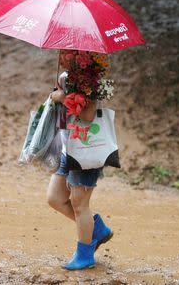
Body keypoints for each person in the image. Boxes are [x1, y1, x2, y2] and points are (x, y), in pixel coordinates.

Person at [47, 50, 113, 270]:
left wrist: (61, 97)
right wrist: (58, 93)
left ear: (81, 56)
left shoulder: (90, 81)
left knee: (79, 204)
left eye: (68, 53)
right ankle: (96, 229)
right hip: (70, 146)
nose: (63, 55)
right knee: (55, 198)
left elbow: (87, 116)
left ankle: (85, 255)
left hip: (87, 149)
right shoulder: (67, 76)